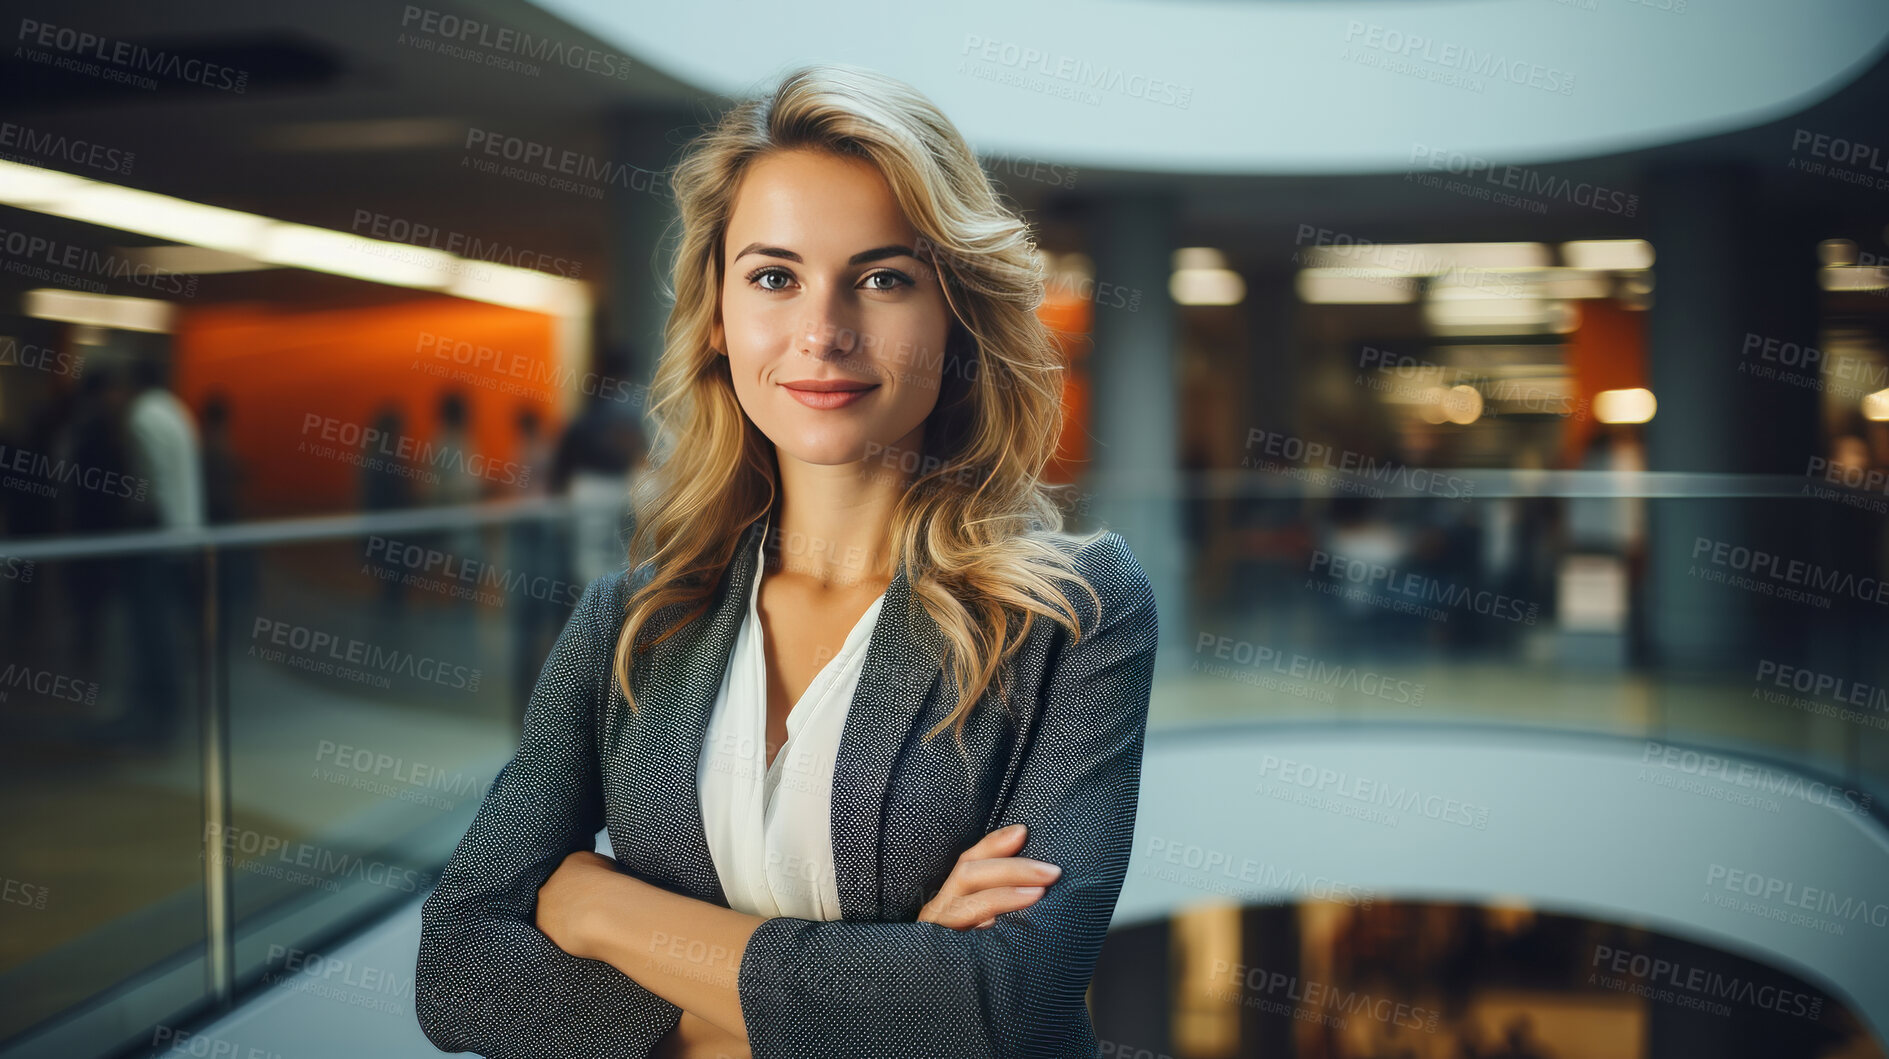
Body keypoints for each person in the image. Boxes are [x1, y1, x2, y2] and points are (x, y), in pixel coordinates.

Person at [414, 63, 1160, 1059]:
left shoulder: (1071, 614)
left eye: (883, 278)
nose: (823, 332)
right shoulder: (631, 620)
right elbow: (456, 970)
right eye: (774, 276)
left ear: (956, 316)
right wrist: (882, 1002)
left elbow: (1000, 1007)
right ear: (718, 319)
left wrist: (594, 910)